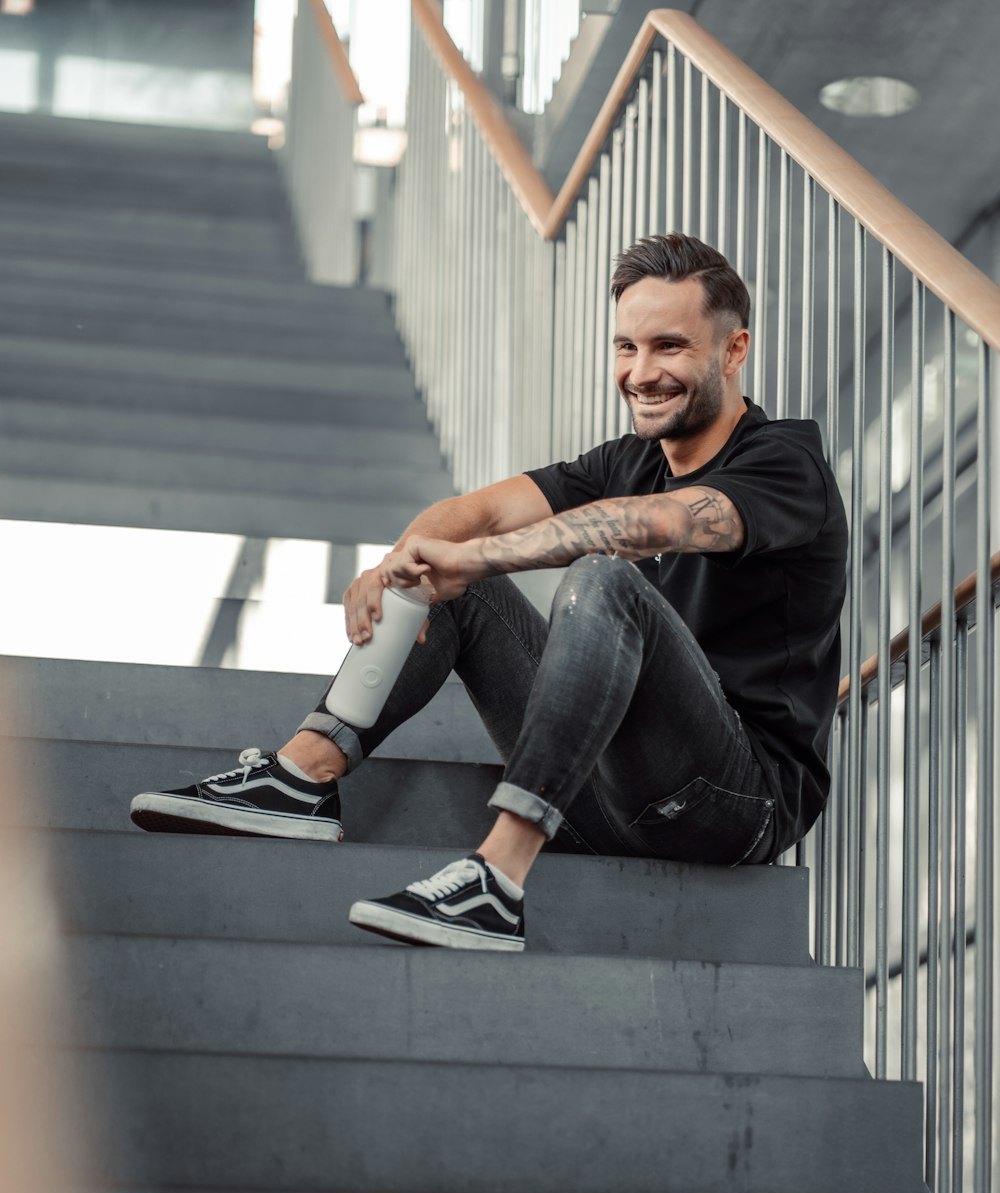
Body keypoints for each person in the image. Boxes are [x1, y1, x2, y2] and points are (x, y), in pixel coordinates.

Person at [130, 233, 847, 954]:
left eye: (669, 347)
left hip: (734, 804)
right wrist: (400, 566)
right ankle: (303, 773)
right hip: (605, 795)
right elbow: (483, 512)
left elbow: (658, 523)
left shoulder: (786, 464)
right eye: (626, 348)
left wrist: (469, 558)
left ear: (732, 351)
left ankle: (496, 881)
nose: (640, 371)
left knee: (601, 579)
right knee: (462, 586)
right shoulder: (628, 459)